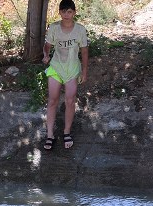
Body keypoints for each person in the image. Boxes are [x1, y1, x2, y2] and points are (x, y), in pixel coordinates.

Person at [42, 0, 89, 151]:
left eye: (69, 12)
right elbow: (47, 46)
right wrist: (46, 55)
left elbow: (84, 51)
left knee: (70, 100)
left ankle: (66, 132)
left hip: (72, 68)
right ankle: (49, 134)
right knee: (53, 100)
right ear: (59, 12)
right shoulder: (54, 28)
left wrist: (84, 71)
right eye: (63, 11)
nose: (66, 15)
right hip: (56, 67)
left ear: (74, 13)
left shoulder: (80, 30)